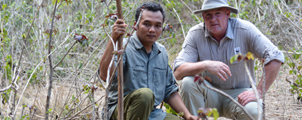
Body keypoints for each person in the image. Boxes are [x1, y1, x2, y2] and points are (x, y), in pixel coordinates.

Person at [173, 0, 284, 119]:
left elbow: (275, 57)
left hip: (240, 94)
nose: (213, 19)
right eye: (208, 15)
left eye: (218, 13)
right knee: (188, 83)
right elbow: (178, 72)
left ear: (228, 13)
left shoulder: (245, 29)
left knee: (254, 111)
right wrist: (205, 65)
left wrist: (259, 91)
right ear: (203, 17)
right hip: (209, 92)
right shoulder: (195, 34)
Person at [99, 2, 199, 120]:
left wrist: (188, 116)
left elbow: (169, 90)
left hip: (152, 114)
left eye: (157, 25)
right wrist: (114, 39)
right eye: (146, 24)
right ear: (136, 25)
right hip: (119, 112)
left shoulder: (161, 52)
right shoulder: (124, 46)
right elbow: (105, 75)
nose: (152, 30)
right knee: (145, 95)